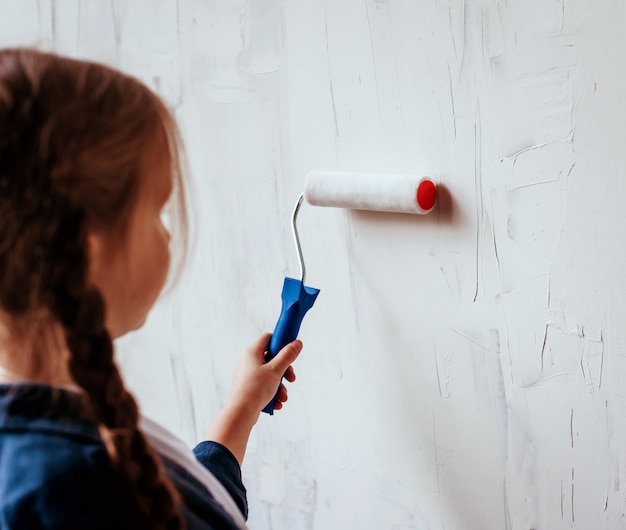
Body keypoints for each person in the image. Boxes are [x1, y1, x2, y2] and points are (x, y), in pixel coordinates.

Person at [0, 47, 303, 529]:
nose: (167, 234)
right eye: (158, 210)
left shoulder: (53, 448)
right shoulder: (68, 492)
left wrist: (241, 408)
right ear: (87, 256)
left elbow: (185, 510)